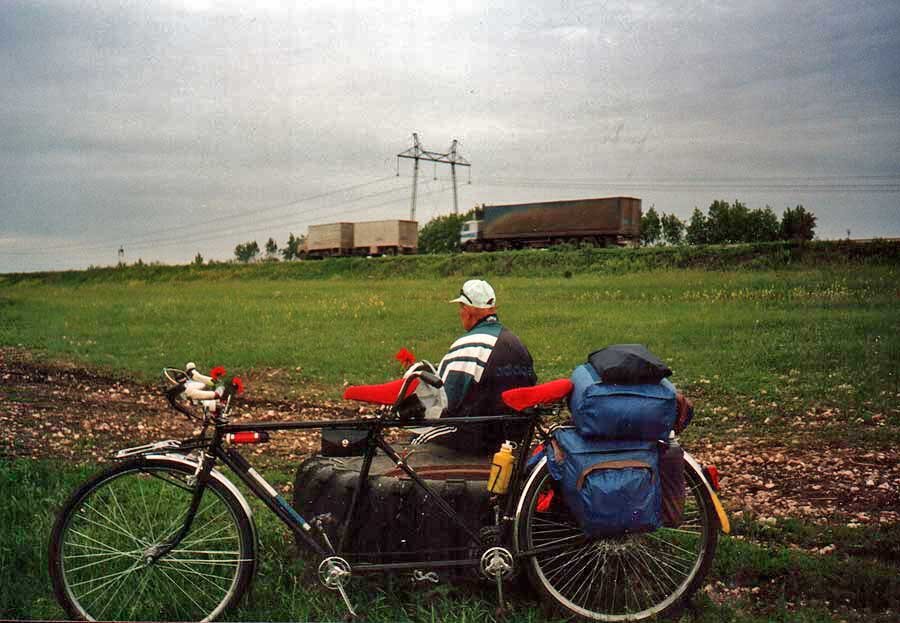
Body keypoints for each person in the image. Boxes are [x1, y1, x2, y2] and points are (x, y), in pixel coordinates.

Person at [412, 279, 537, 453]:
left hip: (480, 438)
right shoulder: (516, 342)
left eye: (460, 307)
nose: (459, 313)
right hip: (515, 435)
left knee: (416, 437)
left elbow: (446, 401)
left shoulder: (468, 344)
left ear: (467, 310)